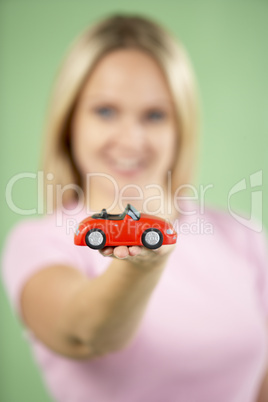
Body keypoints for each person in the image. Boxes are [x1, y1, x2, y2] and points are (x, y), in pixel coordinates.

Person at [1, 13, 268, 402]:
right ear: (70, 121)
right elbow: (88, 332)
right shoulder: (40, 242)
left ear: (181, 128)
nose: (131, 139)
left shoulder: (241, 236)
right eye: (105, 111)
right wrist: (142, 264)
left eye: (155, 115)